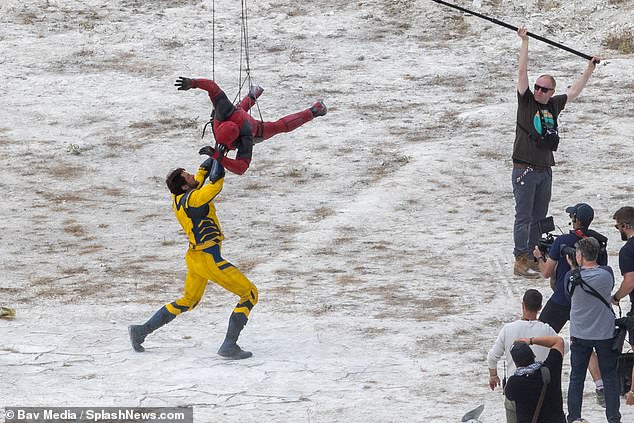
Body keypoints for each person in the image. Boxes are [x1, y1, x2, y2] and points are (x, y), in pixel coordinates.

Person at [128, 157, 257, 359]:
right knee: (249, 294)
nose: (192, 176)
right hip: (209, 259)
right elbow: (214, 187)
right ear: (185, 186)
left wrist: (210, 160)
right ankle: (229, 345)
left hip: (195, 257)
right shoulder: (195, 200)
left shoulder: (179, 199)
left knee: (188, 301)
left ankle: (141, 331)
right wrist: (220, 163)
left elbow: (199, 182)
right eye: (188, 176)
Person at [511, 26, 599, 278]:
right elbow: (522, 72)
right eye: (537, 87)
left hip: (544, 170)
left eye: (543, 89)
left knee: (538, 218)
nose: (538, 91)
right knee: (524, 216)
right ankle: (520, 259)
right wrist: (525, 43)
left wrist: (589, 69)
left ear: (550, 92)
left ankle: (534, 255)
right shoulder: (526, 101)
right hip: (524, 169)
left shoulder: (553, 105)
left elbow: (573, 92)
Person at [533, 203, 608, 406]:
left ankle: (534, 377)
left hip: (561, 300)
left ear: (575, 219)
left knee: (542, 336)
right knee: (585, 343)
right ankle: (600, 386)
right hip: (586, 301)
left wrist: (540, 257)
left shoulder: (564, 241)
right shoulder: (598, 241)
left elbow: (547, 272)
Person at [175, 76, 327, 175]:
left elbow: (241, 168)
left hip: (253, 127)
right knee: (239, 109)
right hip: (236, 113)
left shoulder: (246, 137)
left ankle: (314, 111)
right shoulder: (224, 109)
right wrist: (192, 83)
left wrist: (219, 156)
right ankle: (253, 94)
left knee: (279, 126)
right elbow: (213, 87)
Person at [564, 237, 621, 423]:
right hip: (605, 333)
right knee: (610, 378)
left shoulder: (571, 277)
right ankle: (613, 418)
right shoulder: (607, 273)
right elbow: (608, 285)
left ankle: (574, 417)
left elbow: (567, 293)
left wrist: (574, 267)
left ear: (579, 255)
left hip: (580, 334)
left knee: (577, 378)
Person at [488, 289, 563, 423]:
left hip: (516, 391)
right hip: (543, 391)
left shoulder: (508, 329)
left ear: (523, 305)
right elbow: (563, 346)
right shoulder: (546, 330)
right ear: (540, 308)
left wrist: (493, 375)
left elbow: (492, 357)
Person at [504, 335, 566, 423]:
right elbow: (558, 341)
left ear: (516, 364)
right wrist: (531, 341)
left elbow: (509, 395)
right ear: (534, 355)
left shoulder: (514, 383)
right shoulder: (551, 368)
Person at [609, 206, 634, 406]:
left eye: (618, 227)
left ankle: (633, 392)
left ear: (625, 226)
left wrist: (616, 297)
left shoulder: (628, 251)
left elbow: (630, 282)